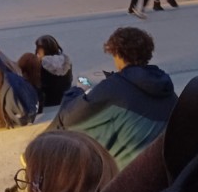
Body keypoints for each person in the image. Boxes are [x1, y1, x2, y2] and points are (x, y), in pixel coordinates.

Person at [50, 26, 178, 168]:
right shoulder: (164, 85)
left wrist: (77, 90)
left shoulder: (113, 87)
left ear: (118, 54)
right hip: (162, 164)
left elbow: (70, 117)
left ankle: (41, 151)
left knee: (68, 120)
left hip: (128, 171)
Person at [18, 35, 73, 108]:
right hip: (64, 98)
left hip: (47, 102)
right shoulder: (66, 62)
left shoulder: (41, 64)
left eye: (37, 48)